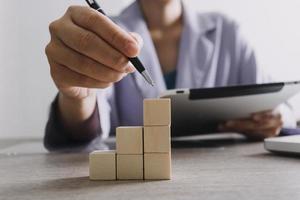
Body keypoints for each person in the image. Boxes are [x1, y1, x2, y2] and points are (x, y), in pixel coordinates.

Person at [44, 0, 296, 150]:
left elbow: (277, 102)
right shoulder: (103, 34)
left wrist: (277, 118)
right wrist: (78, 97)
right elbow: (86, 129)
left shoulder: (227, 31)